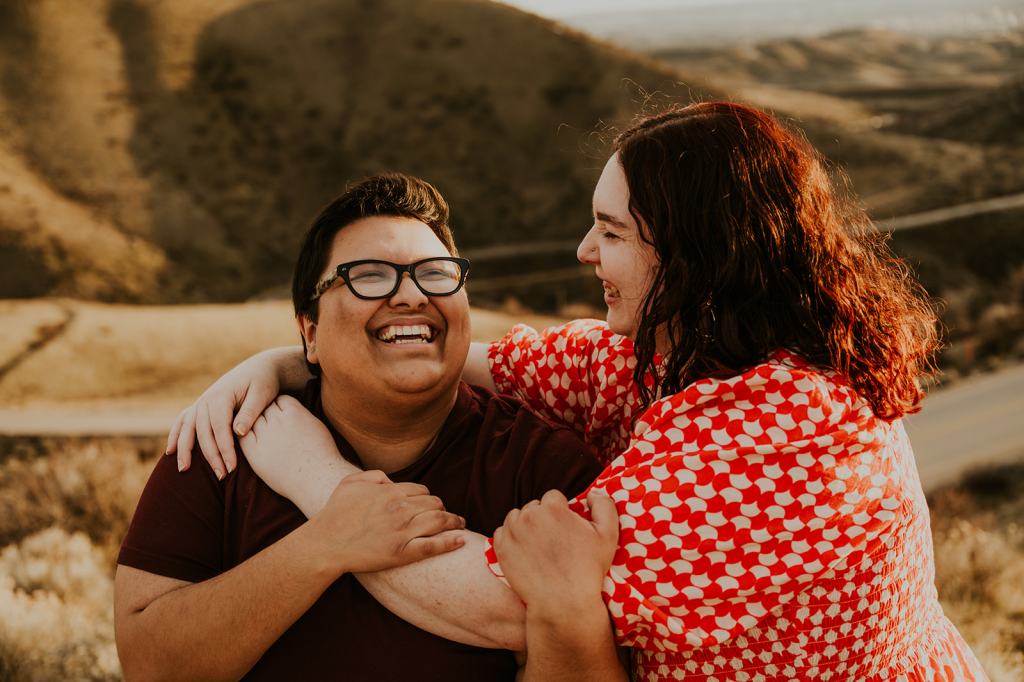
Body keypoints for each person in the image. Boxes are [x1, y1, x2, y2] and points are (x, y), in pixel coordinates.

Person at [169, 101, 988, 680]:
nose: (584, 251)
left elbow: (496, 603)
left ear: (697, 258)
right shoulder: (684, 350)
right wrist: (294, 357)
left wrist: (311, 473)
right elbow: (491, 361)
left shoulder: (773, 436)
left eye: (612, 231)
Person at [114, 173, 611, 681]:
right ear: (310, 333)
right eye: (369, 276)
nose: (411, 296)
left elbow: (584, 653)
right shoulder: (227, 439)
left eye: (436, 273)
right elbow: (148, 666)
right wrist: (320, 547)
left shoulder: (544, 466)